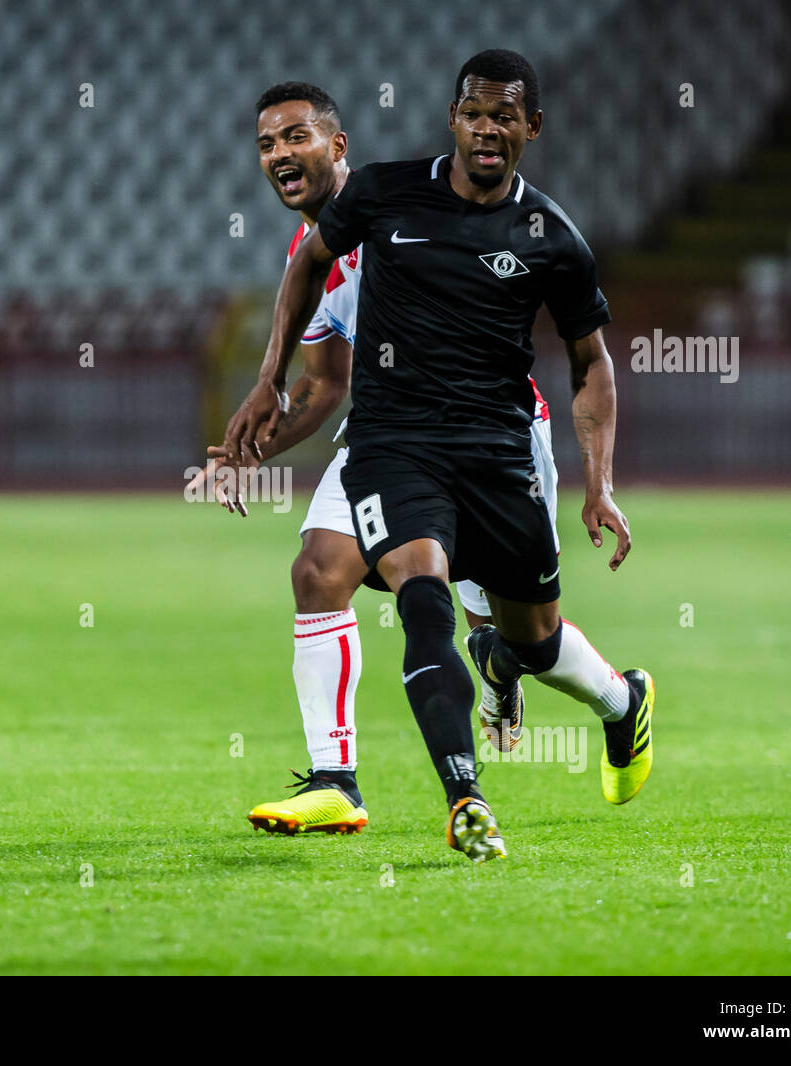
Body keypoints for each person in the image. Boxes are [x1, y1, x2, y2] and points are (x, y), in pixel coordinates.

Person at [222, 51, 654, 863]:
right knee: (327, 571)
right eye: (267, 144)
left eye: (296, 137)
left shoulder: (546, 235)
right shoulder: (361, 217)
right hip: (394, 439)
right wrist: (263, 395)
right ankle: (339, 781)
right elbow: (326, 373)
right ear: (451, 118)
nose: (281, 155)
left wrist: (599, 484)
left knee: (523, 635)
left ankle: (615, 697)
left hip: (501, 441)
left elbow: (591, 360)